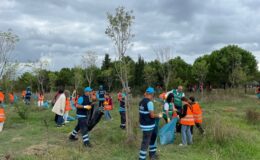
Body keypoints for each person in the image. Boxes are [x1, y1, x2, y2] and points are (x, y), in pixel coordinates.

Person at [139, 87, 162, 160]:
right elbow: (152, 115)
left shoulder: (141, 102)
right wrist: (158, 115)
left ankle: (152, 156)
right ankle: (142, 158)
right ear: (151, 94)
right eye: (153, 94)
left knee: (151, 140)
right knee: (146, 142)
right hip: (149, 126)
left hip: (144, 125)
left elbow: (143, 113)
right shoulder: (150, 102)